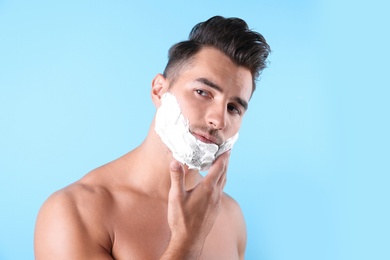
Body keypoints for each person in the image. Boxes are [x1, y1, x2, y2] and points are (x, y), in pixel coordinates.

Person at [34, 15, 270, 259]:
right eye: (202, 92)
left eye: (233, 108)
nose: (218, 121)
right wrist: (187, 242)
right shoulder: (73, 212)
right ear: (159, 90)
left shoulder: (230, 215)